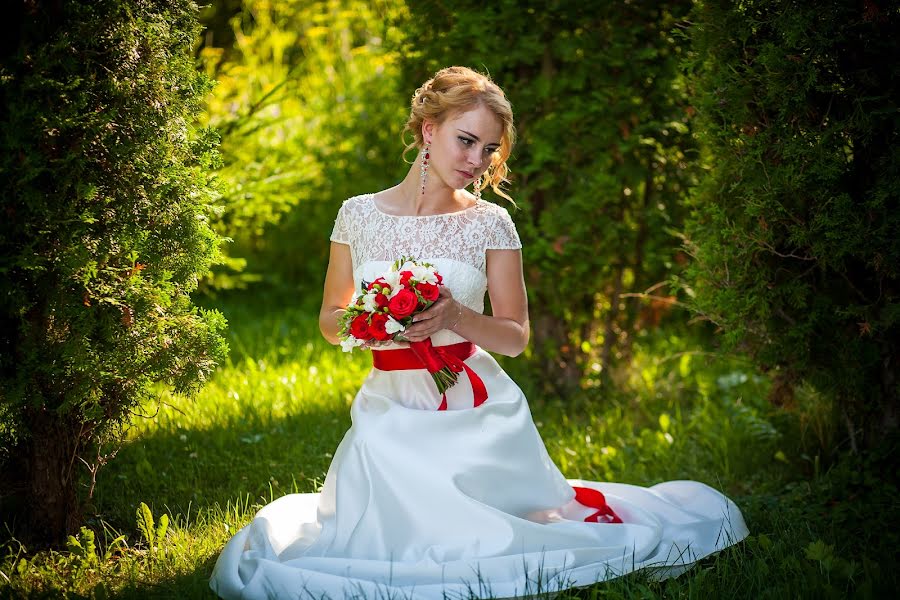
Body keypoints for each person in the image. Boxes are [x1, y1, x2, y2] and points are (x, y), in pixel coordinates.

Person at [209, 66, 748, 600]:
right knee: (377, 536)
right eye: (466, 141)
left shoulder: (490, 223)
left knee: (488, 543)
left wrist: (454, 318)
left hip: (473, 408)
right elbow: (330, 320)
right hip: (388, 404)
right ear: (428, 130)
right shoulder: (357, 216)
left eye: (489, 150)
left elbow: (516, 337)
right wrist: (372, 320)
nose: (477, 160)